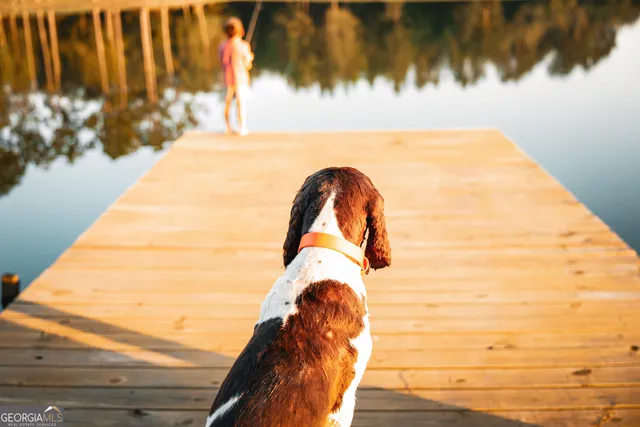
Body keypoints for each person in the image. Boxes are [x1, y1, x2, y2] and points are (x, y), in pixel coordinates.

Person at [219, 17, 254, 136]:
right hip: (241, 80)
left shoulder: (222, 46)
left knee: (227, 103)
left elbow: (222, 62)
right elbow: (247, 65)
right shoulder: (243, 46)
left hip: (227, 79)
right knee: (241, 104)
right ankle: (242, 128)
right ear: (241, 31)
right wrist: (250, 58)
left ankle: (227, 128)